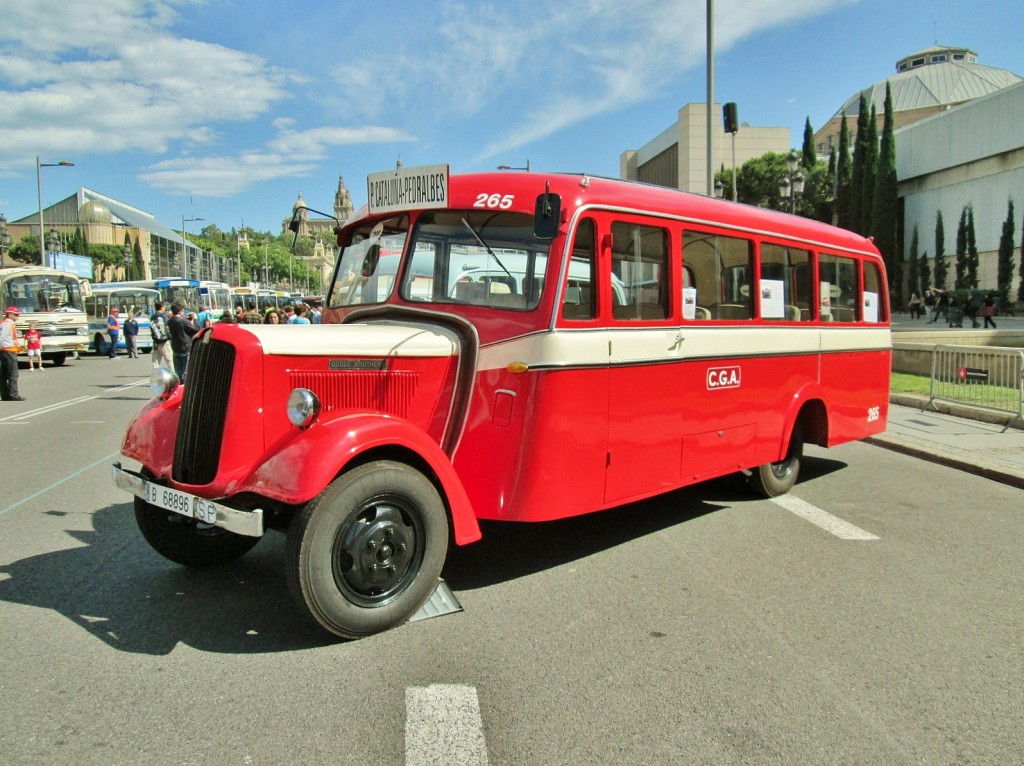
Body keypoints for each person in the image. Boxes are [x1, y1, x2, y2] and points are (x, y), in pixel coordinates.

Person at [167, 303, 199, 382]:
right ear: (180, 312)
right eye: (183, 311)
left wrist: (186, 318)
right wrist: (195, 319)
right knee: (186, 370)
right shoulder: (182, 321)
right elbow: (196, 329)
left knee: (178, 370)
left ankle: (179, 383)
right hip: (185, 346)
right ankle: (184, 385)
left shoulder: (170, 321)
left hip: (175, 347)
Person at [0, 306, 25, 401]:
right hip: (9, 351)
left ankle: (6, 395)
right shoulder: (7, 324)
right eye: (16, 314)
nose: (18, 316)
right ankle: (13, 394)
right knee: (13, 374)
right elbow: (1, 338)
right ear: (10, 314)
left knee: (4, 374)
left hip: (6, 351)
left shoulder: (5, 323)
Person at [150, 301, 173, 370]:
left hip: (156, 341)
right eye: (164, 307)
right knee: (169, 360)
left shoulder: (152, 317)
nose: (165, 308)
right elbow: (167, 326)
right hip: (164, 341)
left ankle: (155, 374)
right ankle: (173, 374)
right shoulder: (163, 316)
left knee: (155, 361)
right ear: (161, 307)